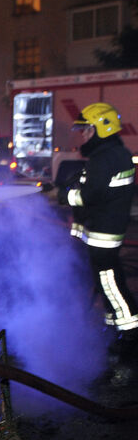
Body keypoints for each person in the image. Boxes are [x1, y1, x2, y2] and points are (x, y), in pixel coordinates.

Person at [58, 102, 138, 355]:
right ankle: (117, 326)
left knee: (110, 282)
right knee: (107, 282)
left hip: (104, 232)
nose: (83, 134)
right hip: (104, 229)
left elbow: (91, 195)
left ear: (101, 129)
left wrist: (62, 196)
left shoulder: (106, 158)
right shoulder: (111, 154)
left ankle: (130, 332)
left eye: (87, 129)